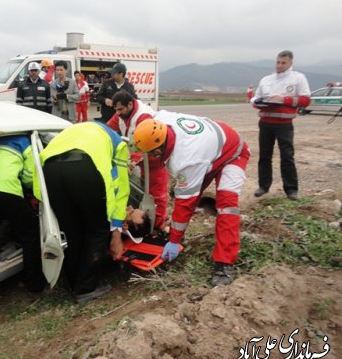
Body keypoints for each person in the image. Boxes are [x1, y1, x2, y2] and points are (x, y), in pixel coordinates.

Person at [132, 112, 250, 286]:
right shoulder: (161, 121)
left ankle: (225, 263)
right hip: (211, 150)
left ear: (157, 151)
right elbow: (145, 117)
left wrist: (174, 241)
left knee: (226, 206)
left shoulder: (187, 160)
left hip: (234, 153)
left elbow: (185, 204)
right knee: (184, 191)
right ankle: (177, 233)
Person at [33, 122, 144, 303]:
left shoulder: (77, 129)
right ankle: (85, 288)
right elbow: (121, 189)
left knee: (72, 230)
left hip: (50, 171)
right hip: (83, 168)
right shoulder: (119, 145)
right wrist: (115, 229)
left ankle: (73, 283)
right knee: (97, 230)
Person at [0, 135, 46, 293]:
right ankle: (35, 286)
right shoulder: (26, 141)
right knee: (30, 233)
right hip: (5, 187)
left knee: (4, 217)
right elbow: (30, 175)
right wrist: (31, 189)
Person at [250, 50, 311, 200]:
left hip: (284, 124)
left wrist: (284, 100)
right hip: (265, 123)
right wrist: (257, 102)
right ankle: (263, 186)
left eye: (283, 63)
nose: (279, 65)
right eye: (278, 62)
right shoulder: (266, 79)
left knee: (287, 157)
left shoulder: (298, 78)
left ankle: (291, 190)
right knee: (264, 156)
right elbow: (257, 99)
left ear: (290, 63)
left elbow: (305, 100)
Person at [107, 91, 169, 230]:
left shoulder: (143, 117)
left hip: (153, 159)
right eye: (116, 110)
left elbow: (144, 142)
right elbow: (109, 127)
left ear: (130, 104)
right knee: (142, 191)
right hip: (140, 159)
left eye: (120, 109)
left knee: (157, 196)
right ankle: (142, 222)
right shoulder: (122, 114)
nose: (117, 113)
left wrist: (132, 162)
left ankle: (156, 226)